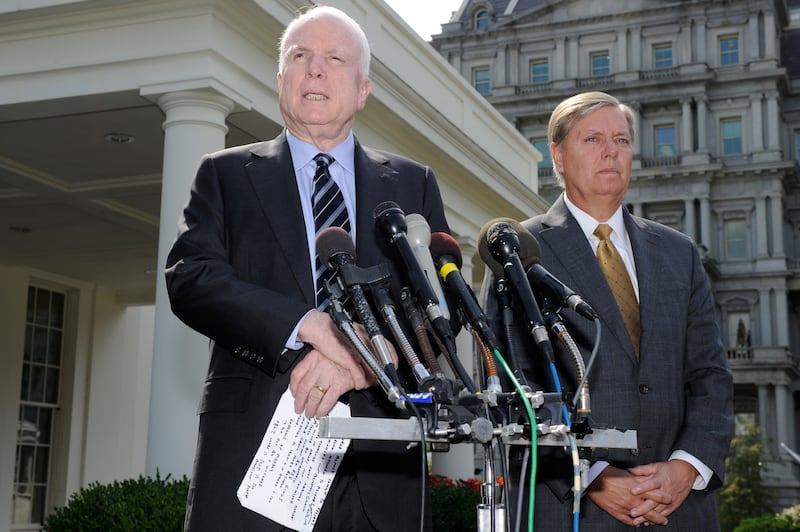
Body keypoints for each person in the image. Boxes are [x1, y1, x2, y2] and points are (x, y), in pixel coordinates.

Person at [165, 6, 451, 531]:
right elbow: (191, 277)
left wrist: (366, 354)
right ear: (281, 81)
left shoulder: (413, 185)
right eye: (301, 57)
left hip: (383, 466)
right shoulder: (224, 174)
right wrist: (311, 325)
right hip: (259, 457)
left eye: (334, 59)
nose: (315, 69)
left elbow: (435, 306)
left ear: (363, 90)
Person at [483, 91, 733, 530]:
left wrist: (686, 468)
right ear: (557, 155)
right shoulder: (518, 254)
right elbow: (514, 388)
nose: (610, 152)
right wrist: (592, 475)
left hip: (680, 508)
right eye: (593, 139)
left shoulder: (679, 253)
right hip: (574, 506)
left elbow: (710, 376)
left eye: (621, 140)